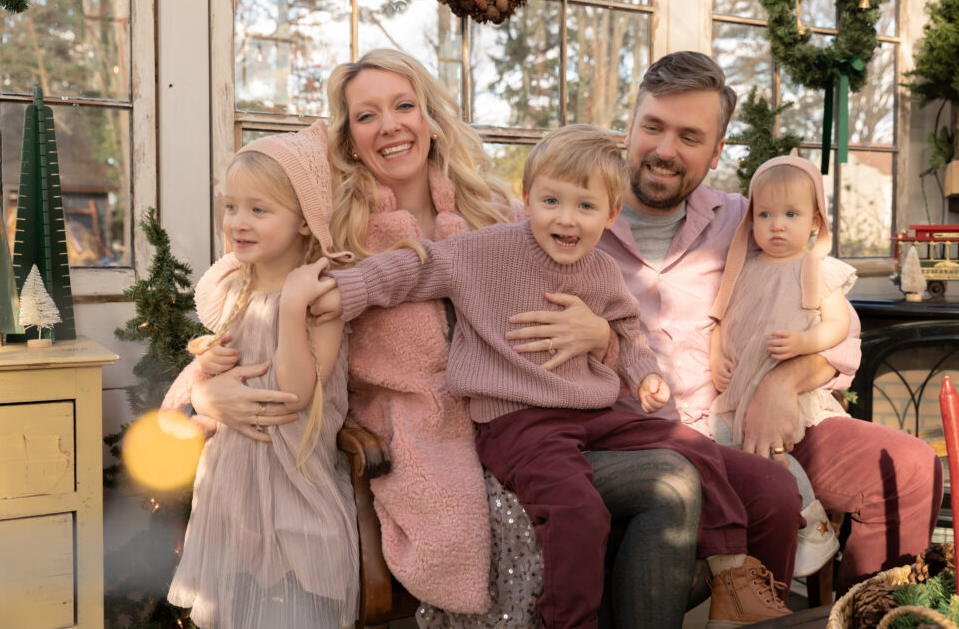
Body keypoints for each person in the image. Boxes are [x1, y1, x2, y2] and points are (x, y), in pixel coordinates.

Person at [164, 49, 707, 628]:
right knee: (666, 486)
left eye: (405, 105)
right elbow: (249, 318)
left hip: (534, 423)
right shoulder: (330, 232)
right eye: (367, 116)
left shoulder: (498, 214)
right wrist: (206, 394)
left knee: (681, 481)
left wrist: (599, 335)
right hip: (427, 449)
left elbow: (604, 309)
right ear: (347, 138)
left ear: (429, 117)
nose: (391, 125)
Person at [320, 123, 792, 628]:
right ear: (528, 198)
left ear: (610, 214)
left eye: (586, 207)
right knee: (577, 510)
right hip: (519, 424)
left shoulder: (602, 271)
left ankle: (732, 578)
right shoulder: (485, 251)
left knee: (691, 446)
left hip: (595, 411)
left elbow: (626, 330)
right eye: (551, 202)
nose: (567, 220)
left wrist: (644, 375)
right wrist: (342, 290)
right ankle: (569, 621)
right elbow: (413, 268)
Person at [598, 50, 943, 593]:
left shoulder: (750, 219)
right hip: (639, 435)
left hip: (750, 413)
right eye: (653, 127)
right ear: (629, 128)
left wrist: (783, 383)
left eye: (690, 137)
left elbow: (839, 324)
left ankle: (868, 614)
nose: (665, 150)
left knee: (906, 467)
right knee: (770, 493)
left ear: (716, 153)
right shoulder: (570, 217)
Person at [166, 123, 359, 628]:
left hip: (297, 493)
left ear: (303, 220)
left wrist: (293, 307)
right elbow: (215, 370)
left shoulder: (321, 296)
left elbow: (293, 394)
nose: (238, 222)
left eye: (259, 209)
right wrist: (208, 362)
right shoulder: (235, 290)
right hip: (230, 497)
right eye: (231, 207)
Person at [707, 155, 856, 579]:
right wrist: (717, 355)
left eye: (791, 214)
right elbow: (720, 319)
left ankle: (813, 522)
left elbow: (839, 325)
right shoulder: (742, 269)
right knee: (722, 450)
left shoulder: (816, 269)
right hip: (738, 391)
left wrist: (805, 342)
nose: (776, 225)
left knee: (776, 457)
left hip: (786, 393)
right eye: (765, 214)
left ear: (814, 222)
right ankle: (736, 554)